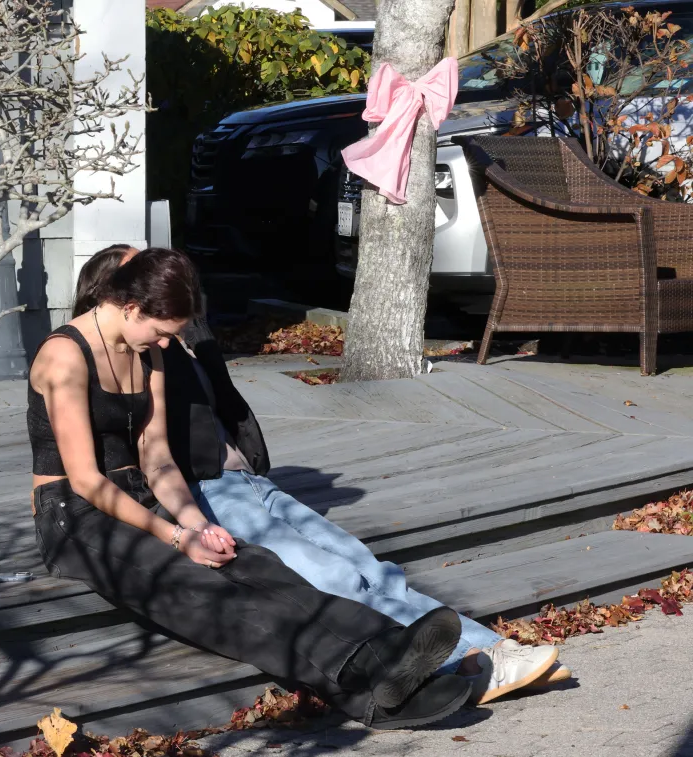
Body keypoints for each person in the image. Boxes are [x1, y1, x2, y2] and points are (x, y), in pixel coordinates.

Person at [72, 247, 572, 706]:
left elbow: (223, 400)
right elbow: (129, 451)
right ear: (117, 298)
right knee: (328, 575)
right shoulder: (122, 357)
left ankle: (488, 649)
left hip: (248, 481)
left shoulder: (180, 336)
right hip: (204, 491)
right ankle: (463, 662)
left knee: (366, 567)